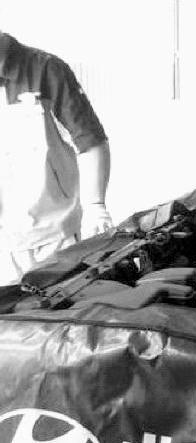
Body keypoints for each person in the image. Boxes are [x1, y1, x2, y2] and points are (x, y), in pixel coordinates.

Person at [0, 31, 113, 285]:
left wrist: (95, 206)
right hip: (4, 247)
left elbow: (90, 141)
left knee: (60, 305)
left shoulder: (46, 69)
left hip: (55, 239)